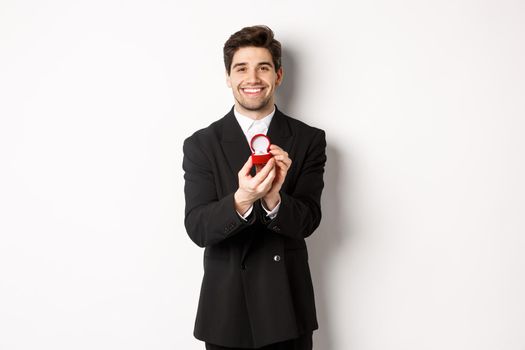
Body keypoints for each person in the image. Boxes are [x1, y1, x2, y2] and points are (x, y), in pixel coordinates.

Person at [182, 25, 327, 350]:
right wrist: (243, 198)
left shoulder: (308, 140)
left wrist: (275, 197)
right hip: (227, 311)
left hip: (287, 308)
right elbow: (197, 228)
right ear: (228, 77)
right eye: (241, 68)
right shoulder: (202, 145)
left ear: (278, 75)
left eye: (263, 67)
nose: (252, 78)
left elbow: (309, 221)